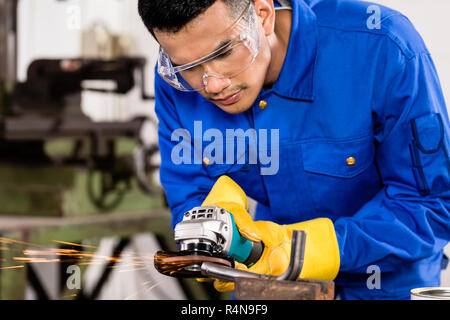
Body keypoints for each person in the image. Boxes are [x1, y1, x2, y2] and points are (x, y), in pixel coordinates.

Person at [138, 0, 450, 299]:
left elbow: (432, 203)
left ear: (263, 15)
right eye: (189, 66)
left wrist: (312, 250)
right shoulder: (175, 82)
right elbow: (190, 195)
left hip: (386, 282)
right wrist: (213, 237)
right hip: (269, 280)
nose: (213, 84)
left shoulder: (382, 45)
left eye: (224, 52)